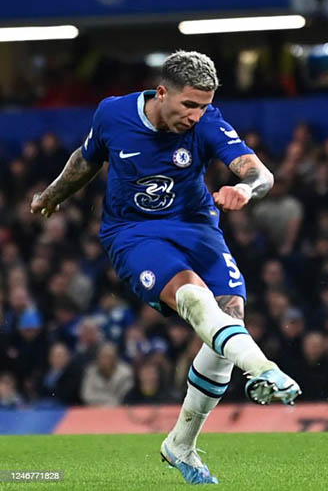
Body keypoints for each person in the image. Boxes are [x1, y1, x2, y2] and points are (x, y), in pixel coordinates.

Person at [30, 51, 301, 484]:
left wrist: (246, 190)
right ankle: (263, 369)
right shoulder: (114, 114)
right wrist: (52, 194)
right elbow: (87, 158)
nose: (196, 115)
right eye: (189, 105)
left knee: (228, 318)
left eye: (204, 106)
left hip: (197, 227)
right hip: (134, 233)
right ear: (162, 93)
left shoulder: (209, 122)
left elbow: (260, 173)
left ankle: (181, 446)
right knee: (193, 295)